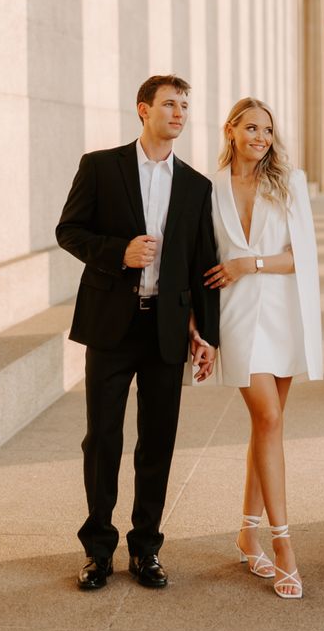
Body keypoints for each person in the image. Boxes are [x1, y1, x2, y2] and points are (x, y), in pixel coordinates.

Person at [56, 75, 219, 591]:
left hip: (165, 331)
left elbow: (202, 265)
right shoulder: (101, 167)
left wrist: (205, 332)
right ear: (143, 109)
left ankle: (146, 548)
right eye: (170, 103)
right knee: (102, 438)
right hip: (110, 324)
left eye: (185, 105)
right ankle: (98, 550)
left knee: (158, 442)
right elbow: (70, 230)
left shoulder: (196, 185)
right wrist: (118, 253)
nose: (179, 112)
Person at [203, 97, 323, 599]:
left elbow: (302, 258)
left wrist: (247, 264)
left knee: (265, 426)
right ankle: (284, 546)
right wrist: (199, 329)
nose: (260, 137)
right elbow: (200, 259)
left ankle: (246, 533)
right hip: (235, 318)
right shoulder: (208, 190)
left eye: (268, 130)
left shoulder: (289, 183)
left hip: (282, 316)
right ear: (231, 130)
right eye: (251, 127)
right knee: (269, 420)